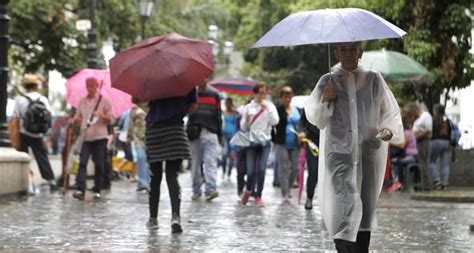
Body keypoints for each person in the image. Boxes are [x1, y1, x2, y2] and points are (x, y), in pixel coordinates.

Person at [304, 42, 403, 253]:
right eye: (344, 50)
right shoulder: (327, 81)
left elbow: (389, 113)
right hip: (338, 154)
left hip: (368, 152)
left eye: (353, 49)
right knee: (343, 204)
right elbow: (317, 119)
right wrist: (325, 100)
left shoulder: (374, 80)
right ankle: (343, 248)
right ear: (337, 53)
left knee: (365, 207)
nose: (348, 54)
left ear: (361, 52)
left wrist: (385, 131)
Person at [140, 87, 197, 233]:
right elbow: (193, 106)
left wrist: (159, 110)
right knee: (172, 175)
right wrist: (176, 110)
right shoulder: (187, 79)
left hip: (154, 129)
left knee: (155, 176)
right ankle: (175, 217)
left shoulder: (151, 78)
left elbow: (137, 100)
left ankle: (153, 219)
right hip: (175, 128)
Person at [70, 77, 115, 200]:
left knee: (99, 163)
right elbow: (78, 116)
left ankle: (97, 189)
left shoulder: (104, 101)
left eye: (91, 86)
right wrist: (75, 120)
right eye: (87, 86)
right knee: (82, 162)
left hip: (100, 137)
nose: (89, 88)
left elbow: (112, 119)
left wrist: (101, 115)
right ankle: (80, 189)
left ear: (97, 87)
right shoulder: (82, 101)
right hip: (85, 137)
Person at [11, 74, 58, 190]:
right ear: (36, 86)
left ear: (25, 86)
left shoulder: (20, 100)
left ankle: (24, 182)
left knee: (23, 158)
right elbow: (48, 116)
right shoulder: (43, 99)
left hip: (24, 133)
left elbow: (15, 119)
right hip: (38, 134)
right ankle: (51, 180)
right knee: (42, 157)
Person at [240, 83, 279, 207]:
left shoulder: (270, 106)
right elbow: (243, 127)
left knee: (262, 170)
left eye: (265, 92)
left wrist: (267, 109)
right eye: (261, 92)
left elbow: (275, 122)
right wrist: (246, 119)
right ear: (255, 93)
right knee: (250, 171)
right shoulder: (248, 107)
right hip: (251, 142)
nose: (263, 95)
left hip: (265, 142)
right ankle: (248, 190)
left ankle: (258, 196)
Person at [272, 86, 301, 203]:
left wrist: (302, 134)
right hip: (281, 143)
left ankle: (288, 188)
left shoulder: (297, 109)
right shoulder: (277, 110)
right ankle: (285, 192)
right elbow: (272, 125)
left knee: (295, 168)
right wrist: (274, 140)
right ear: (281, 98)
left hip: (295, 143)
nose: (287, 99)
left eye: (289, 97)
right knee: (283, 168)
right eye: (285, 97)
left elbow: (301, 124)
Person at [388, 111, 418, 192]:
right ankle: (398, 182)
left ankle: (396, 182)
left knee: (392, 162)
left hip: (410, 157)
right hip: (411, 157)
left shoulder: (406, 133)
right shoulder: (410, 132)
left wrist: (390, 142)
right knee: (397, 162)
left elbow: (402, 145)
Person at [299, 109, 320, 210]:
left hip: (331, 141)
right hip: (312, 142)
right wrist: (303, 132)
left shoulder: (336, 100)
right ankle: (309, 198)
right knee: (313, 171)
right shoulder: (309, 104)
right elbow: (302, 122)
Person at [409, 103, 433, 190]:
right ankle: (419, 185)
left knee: (423, 163)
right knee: (419, 163)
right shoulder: (417, 119)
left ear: (416, 109)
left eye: (412, 112)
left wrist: (416, 136)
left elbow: (428, 130)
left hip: (423, 142)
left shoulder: (426, 116)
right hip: (417, 142)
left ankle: (427, 185)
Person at [429, 104, 452, 190]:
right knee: (446, 164)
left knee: (432, 161)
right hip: (447, 142)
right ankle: (445, 183)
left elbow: (431, 132)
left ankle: (437, 179)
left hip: (436, 141)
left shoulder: (433, 119)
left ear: (436, 111)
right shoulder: (447, 120)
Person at [128, 106, 149, 192]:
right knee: (141, 158)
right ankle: (142, 183)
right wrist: (130, 136)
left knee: (149, 160)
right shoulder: (133, 110)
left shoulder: (151, 106)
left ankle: (148, 182)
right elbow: (130, 124)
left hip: (149, 137)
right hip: (138, 138)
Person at [222, 97, 240, 179]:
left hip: (233, 136)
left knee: (232, 155)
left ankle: (229, 173)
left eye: (229, 103)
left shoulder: (235, 113)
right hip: (224, 135)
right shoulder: (223, 113)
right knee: (225, 154)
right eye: (226, 103)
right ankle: (223, 171)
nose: (228, 104)